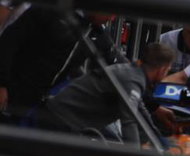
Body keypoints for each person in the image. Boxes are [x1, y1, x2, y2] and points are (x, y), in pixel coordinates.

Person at [38, 41, 173, 145]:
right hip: (62, 120)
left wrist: (158, 141)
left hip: (65, 118)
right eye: (167, 71)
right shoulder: (132, 79)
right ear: (162, 69)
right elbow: (129, 121)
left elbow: (140, 110)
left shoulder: (133, 73)